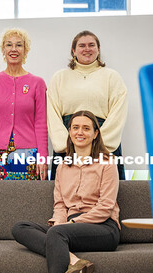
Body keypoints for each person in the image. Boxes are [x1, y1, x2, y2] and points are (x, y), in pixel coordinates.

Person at [12, 110, 121, 273]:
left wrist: (68, 224)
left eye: (86, 128)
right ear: (69, 132)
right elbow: (60, 204)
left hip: (103, 227)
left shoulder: (108, 162)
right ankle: (76, 261)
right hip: (69, 228)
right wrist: (60, 221)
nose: (80, 132)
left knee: (57, 232)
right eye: (75, 127)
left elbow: (105, 207)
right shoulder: (63, 166)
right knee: (20, 228)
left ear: (95, 134)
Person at [47, 30, 128, 180]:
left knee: (107, 193)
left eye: (92, 45)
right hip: (68, 145)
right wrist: (68, 143)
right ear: (73, 51)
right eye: (82, 45)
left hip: (104, 145)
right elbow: (52, 113)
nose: (87, 49)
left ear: (98, 49)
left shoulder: (112, 77)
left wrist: (99, 143)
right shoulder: (59, 78)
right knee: (66, 193)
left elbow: (118, 113)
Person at [0, 28, 48, 180]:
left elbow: (41, 122)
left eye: (19, 45)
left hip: (30, 153)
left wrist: (43, 157)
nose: (13, 49)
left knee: (28, 199)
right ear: (3, 50)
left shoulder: (37, 82)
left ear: (25, 50)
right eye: (8, 45)